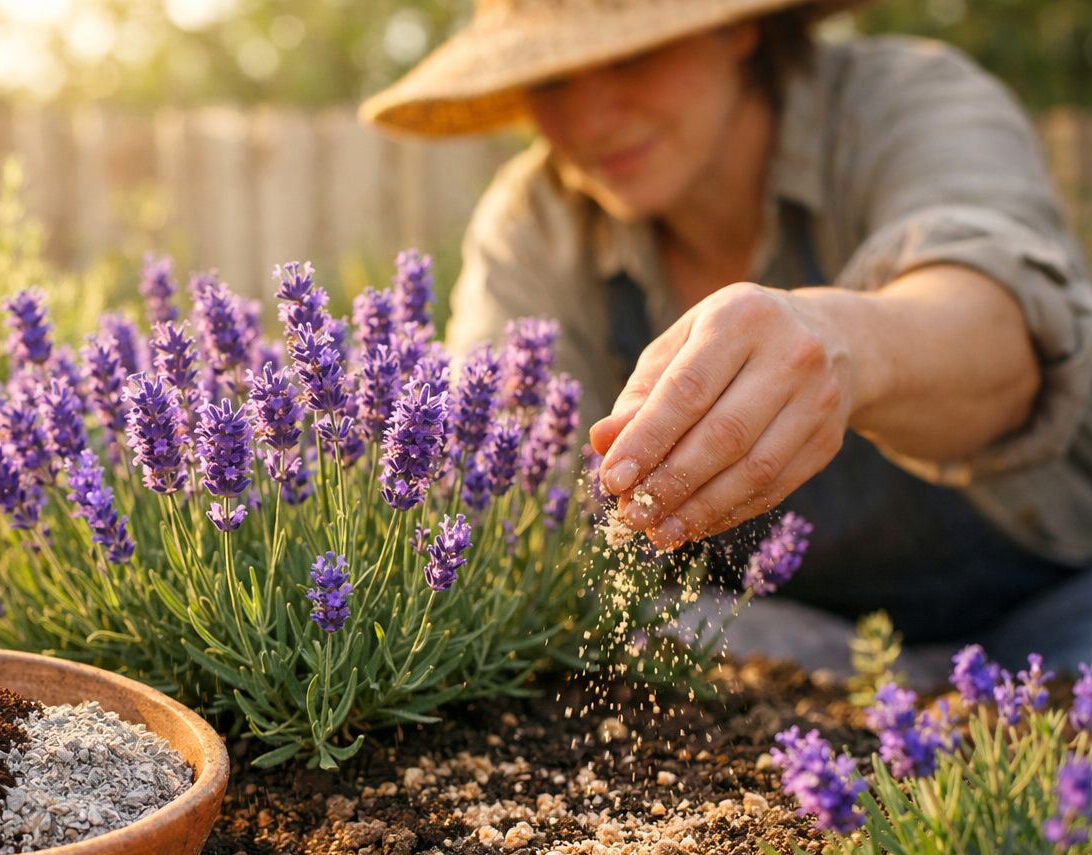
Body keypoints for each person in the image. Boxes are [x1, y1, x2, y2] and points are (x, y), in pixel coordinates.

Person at [359, 0, 1092, 679]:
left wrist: (844, 342)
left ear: (736, 26)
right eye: (548, 78)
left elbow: (1001, 328)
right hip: (772, 641)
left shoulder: (908, 104)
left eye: (630, 56)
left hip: (1042, 609)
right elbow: (506, 498)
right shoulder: (538, 224)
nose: (588, 115)